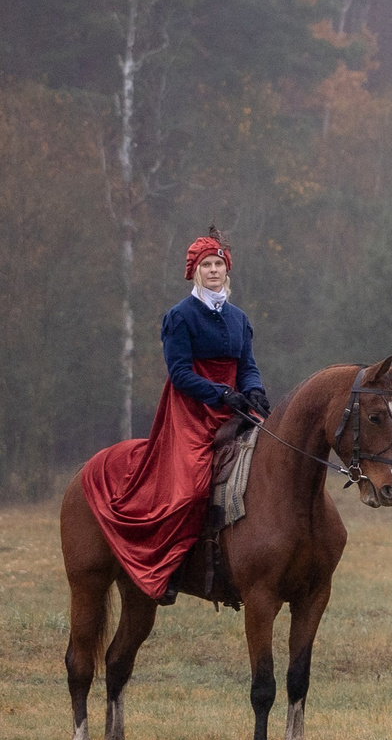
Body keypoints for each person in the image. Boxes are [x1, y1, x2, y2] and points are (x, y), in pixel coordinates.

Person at [79, 229, 269, 604]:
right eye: (206, 265)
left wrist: (254, 389)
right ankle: (169, 567)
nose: (213, 270)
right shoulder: (179, 317)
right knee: (192, 485)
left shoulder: (239, 318)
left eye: (219, 264)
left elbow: (247, 365)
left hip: (235, 405)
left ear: (226, 271)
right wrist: (220, 393)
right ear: (194, 272)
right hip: (192, 410)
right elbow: (180, 373)